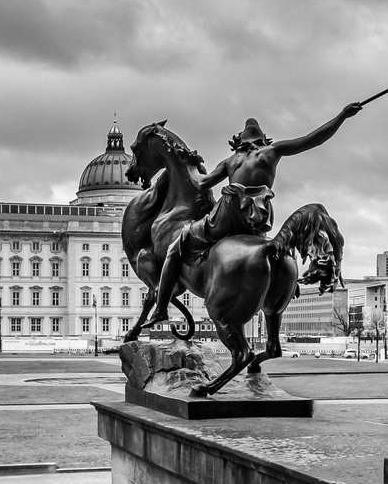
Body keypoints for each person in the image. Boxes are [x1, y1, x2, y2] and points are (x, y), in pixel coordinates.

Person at [147, 102, 362, 324]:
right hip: (257, 218)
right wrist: (342, 116)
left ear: (239, 141)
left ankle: (161, 308)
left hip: (228, 214)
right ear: (262, 139)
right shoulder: (272, 152)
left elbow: (202, 184)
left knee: (177, 245)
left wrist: (189, 166)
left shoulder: (231, 161)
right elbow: (313, 139)